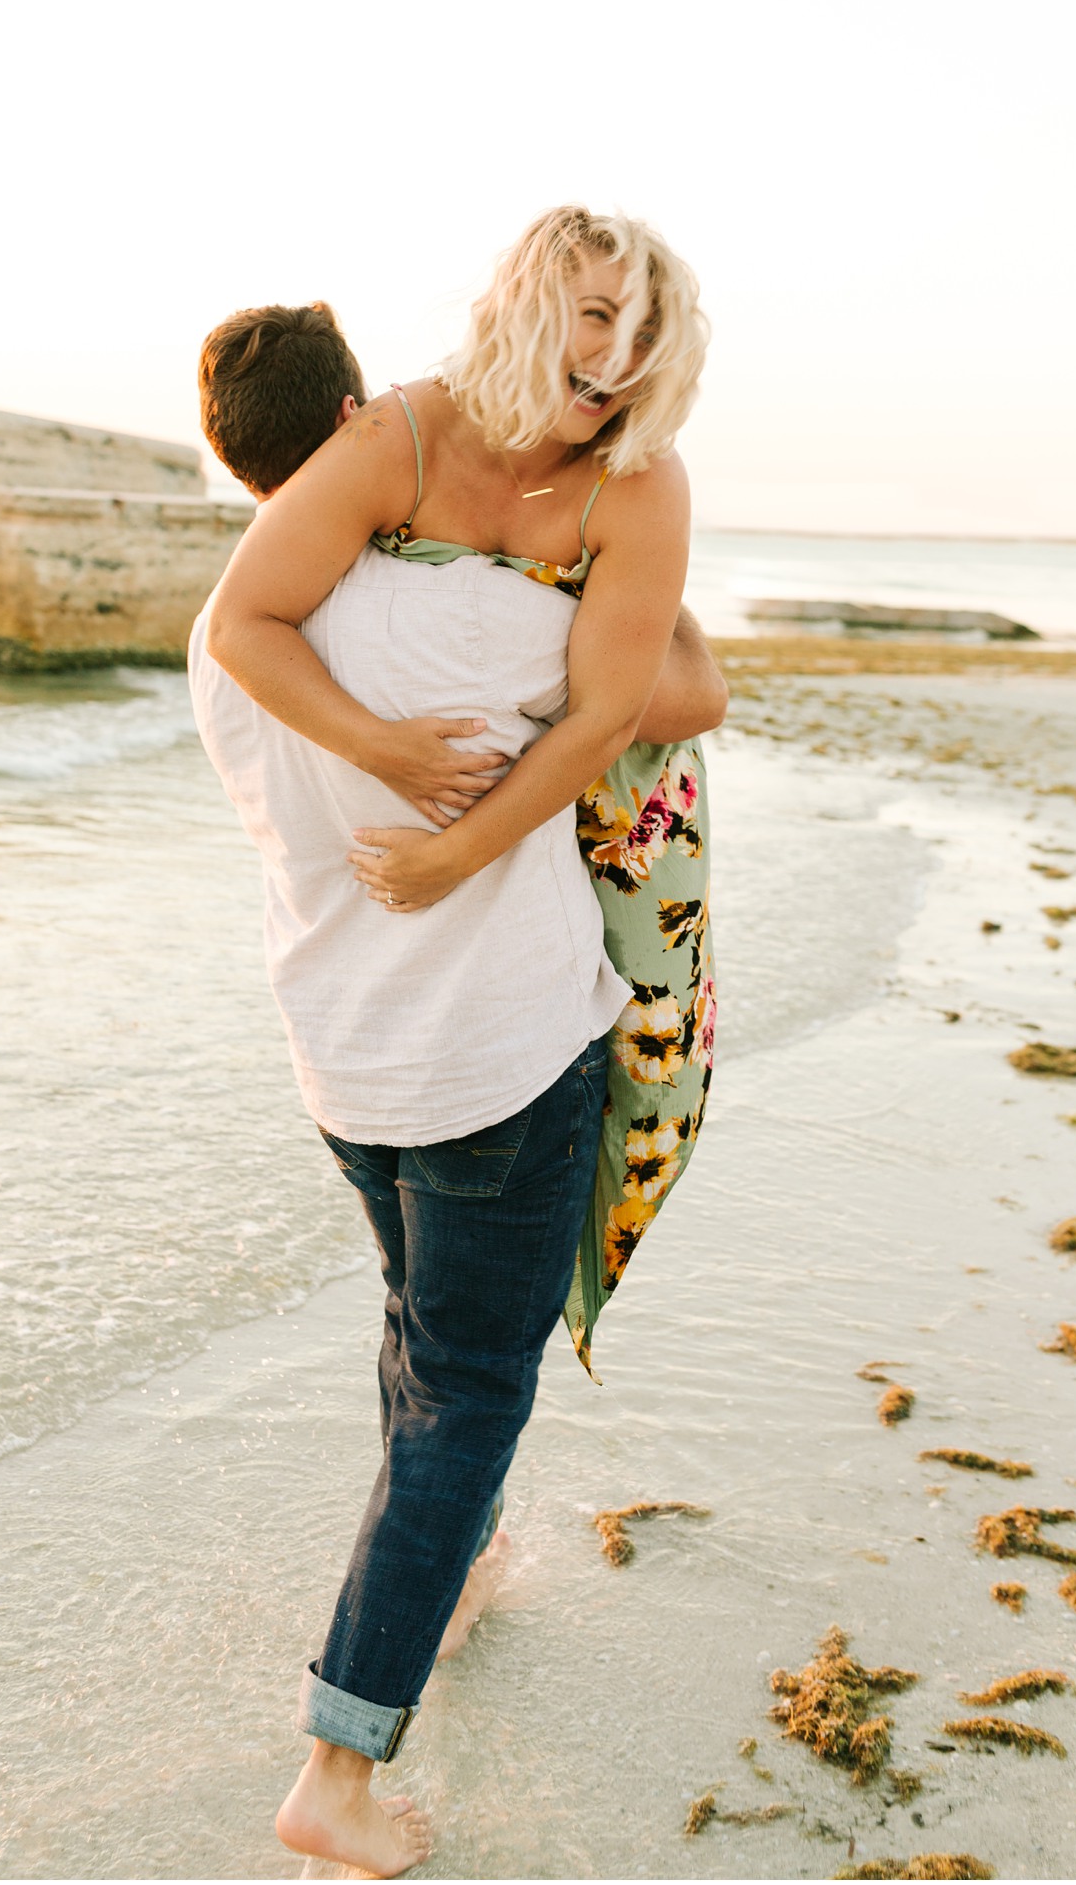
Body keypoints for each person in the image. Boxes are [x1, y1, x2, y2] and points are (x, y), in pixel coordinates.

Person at [200, 210, 717, 1874]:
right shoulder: (506, 615)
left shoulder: (263, 643)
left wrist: (431, 823)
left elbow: (247, 623)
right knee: (470, 1389)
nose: (611, 362)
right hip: (499, 1049)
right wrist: (446, 827)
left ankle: (457, 1561)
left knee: (429, 1349)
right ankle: (338, 1771)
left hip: (342, 1052)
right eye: (589, 317)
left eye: (639, 334)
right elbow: (664, 694)